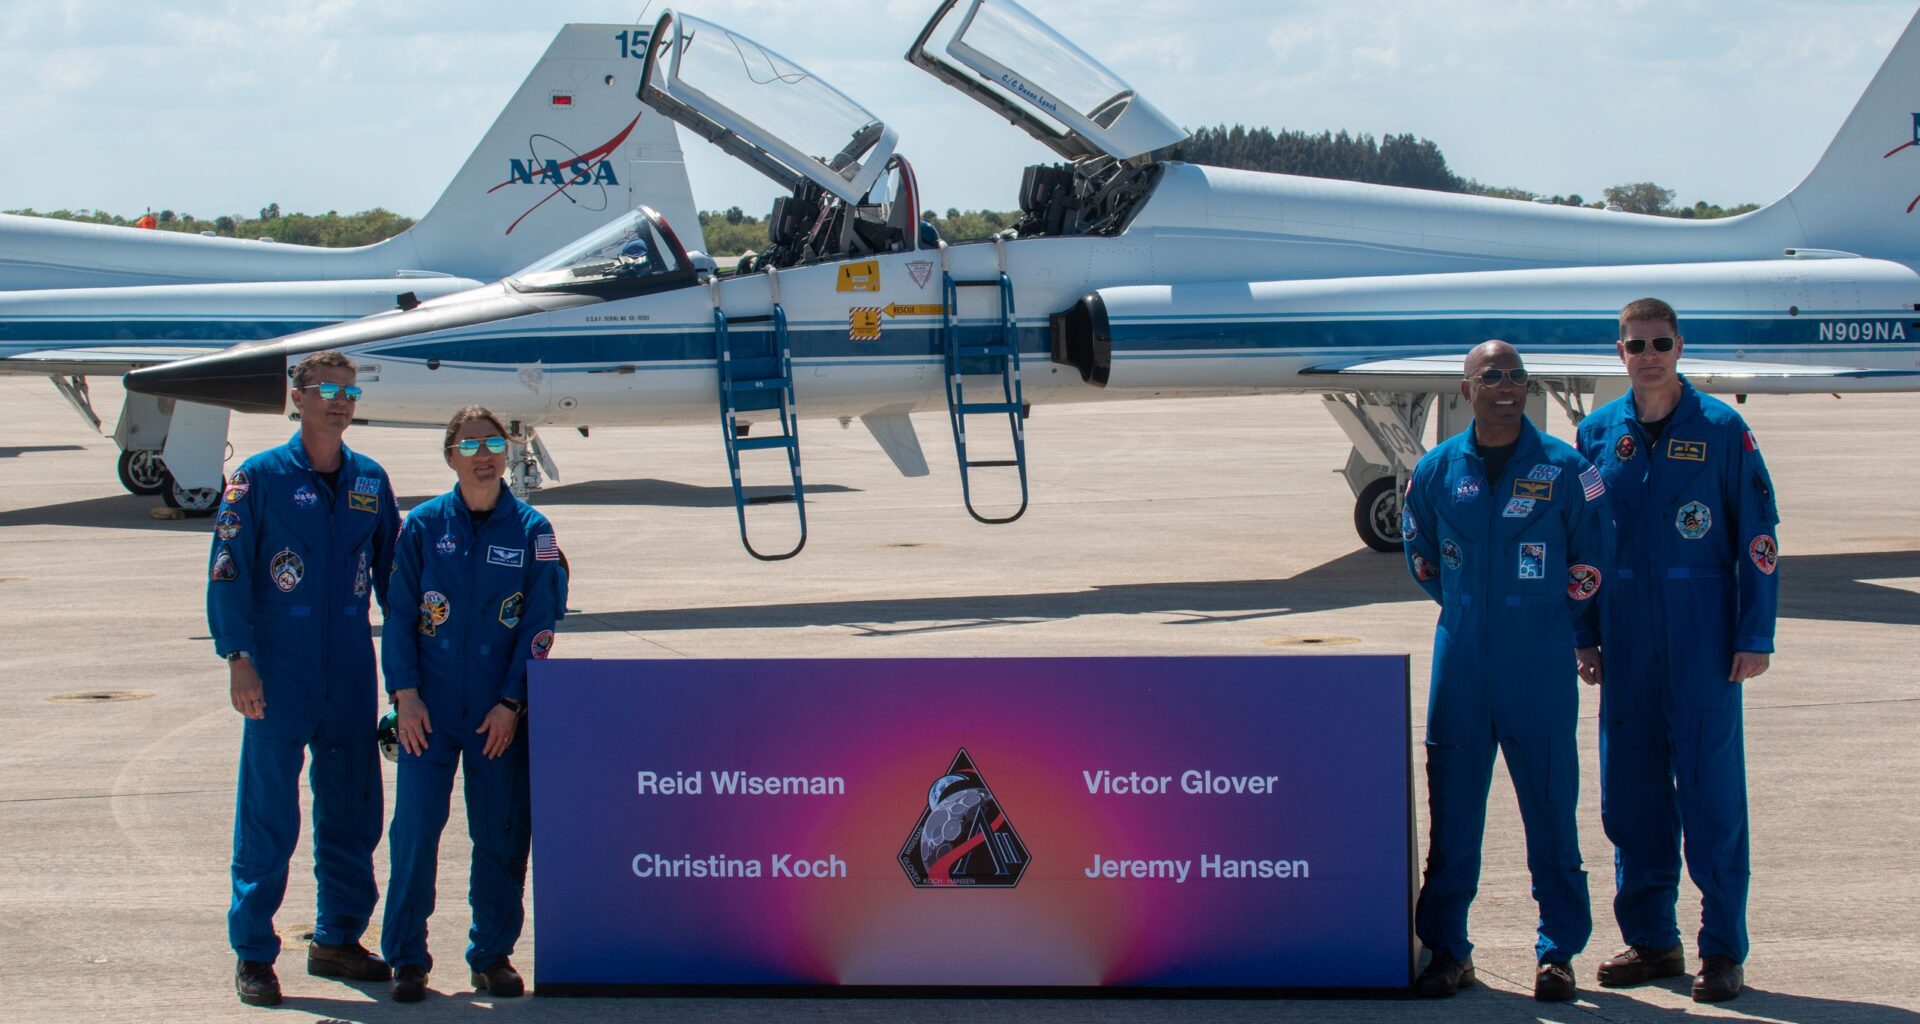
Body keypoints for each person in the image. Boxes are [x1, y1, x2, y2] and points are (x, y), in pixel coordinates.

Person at [1575, 298, 1779, 1003]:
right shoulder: (1597, 434)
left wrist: (1754, 634)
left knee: (1712, 797)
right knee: (1629, 796)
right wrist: (1585, 634)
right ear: (1620, 353)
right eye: (1636, 345)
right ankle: (1652, 940)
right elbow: (1584, 546)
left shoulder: (1724, 430)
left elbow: (1758, 540)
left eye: (1661, 342)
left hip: (1702, 637)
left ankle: (1721, 950)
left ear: (1680, 347)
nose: (1649, 355)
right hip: (1626, 636)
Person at [1401, 340, 1613, 1002]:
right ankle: (1448, 949)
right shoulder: (1436, 472)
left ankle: (1558, 952)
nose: (1507, 386)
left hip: (1538, 665)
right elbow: (1425, 560)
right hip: (1461, 663)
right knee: (1453, 815)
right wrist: (1476, 611)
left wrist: (1538, 619)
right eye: (1491, 376)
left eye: (1518, 376)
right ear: (1466, 388)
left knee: (1551, 811)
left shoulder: (1569, 470)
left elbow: (1593, 559)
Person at [207, 351, 399, 1006]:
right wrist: (238, 657)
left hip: (348, 666)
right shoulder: (256, 480)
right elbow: (228, 569)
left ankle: (338, 938)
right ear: (298, 396)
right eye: (327, 390)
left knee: (352, 807)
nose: (340, 400)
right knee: (268, 816)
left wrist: (409, 674)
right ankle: (254, 953)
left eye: (349, 390)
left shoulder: (370, 480)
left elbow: (396, 583)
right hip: (276, 670)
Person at [380, 405, 567, 1003]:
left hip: (496, 714)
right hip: (427, 715)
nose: (482, 456)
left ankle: (491, 954)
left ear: (507, 453)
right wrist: (404, 698)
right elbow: (400, 616)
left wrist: (513, 702)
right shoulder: (424, 526)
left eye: (492, 444)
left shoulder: (535, 531)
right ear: (451, 455)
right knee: (414, 834)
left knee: (501, 836)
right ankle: (407, 958)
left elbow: (539, 624)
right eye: (469, 446)